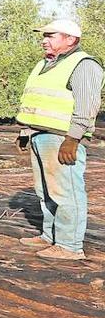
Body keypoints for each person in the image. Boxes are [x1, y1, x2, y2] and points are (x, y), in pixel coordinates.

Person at [15, 18, 102, 260]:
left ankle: (70, 247)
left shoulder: (83, 65)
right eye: (44, 36)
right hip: (38, 135)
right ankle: (50, 236)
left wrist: (73, 138)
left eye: (51, 35)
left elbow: (88, 105)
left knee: (67, 192)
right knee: (46, 191)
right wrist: (25, 132)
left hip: (62, 138)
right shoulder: (44, 64)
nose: (44, 40)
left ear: (70, 39)